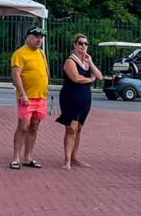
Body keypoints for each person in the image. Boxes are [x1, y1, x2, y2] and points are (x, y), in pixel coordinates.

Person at [56, 34, 102, 169]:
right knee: (71, 128)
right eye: (81, 43)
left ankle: (74, 157)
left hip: (84, 98)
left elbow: (99, 76)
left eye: (86, 44)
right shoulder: (70, 61)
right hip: (70, 97)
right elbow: (76, 78)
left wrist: (91, 62)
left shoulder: (87, 61)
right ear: (75, 45)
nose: (83, 46)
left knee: (79, 128)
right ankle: (67, 160)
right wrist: (90, 80)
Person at [9, 26, 49, 169]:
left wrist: (46, 87)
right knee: (23, 126)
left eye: (41, 37)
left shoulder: (41, 54)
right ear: (28, 37)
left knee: (34, 127)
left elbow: (45, 71)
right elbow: (16, 75)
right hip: (27, 97)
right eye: (36, 36)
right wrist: (22, 93)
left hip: (40, 97)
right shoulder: (20, 53)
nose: (39, 39)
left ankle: (28, 157)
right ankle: (16, 157)